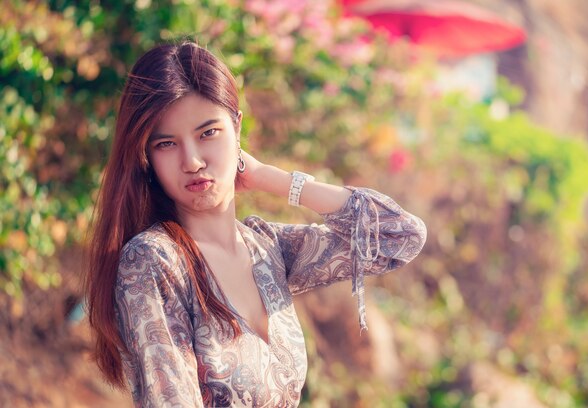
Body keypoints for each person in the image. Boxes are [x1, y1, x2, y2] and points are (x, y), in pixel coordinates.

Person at [85, 41, 426, 407]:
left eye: (208, 133)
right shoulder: (155, 261)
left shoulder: (267, 248)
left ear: (237, 127)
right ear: (146, 157)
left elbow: (399, 236)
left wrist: (270, 177)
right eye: (166, 144)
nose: (193, 161)